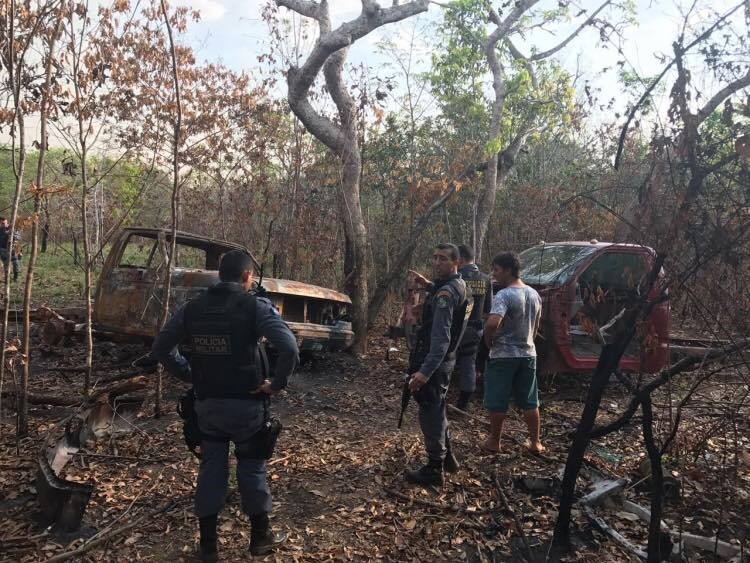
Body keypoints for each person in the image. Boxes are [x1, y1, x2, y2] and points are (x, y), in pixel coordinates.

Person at [152, 250, 299, 562]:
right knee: (252, 465)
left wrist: (188, 374)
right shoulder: (254, 306)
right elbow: (289, 347)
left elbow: (161, 348)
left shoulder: (192, 308)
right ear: (247, 276)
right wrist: (277, 384)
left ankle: (208, 548)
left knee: (211, 469)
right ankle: (260, 537)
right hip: (247, 404)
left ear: (220, 274)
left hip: (208, 406)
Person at [405, 243, 471, 486]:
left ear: (457, 262)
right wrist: (428, 285)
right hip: (446, 362)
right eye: (434, 257)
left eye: (443, 258)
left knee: (430, 413)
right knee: (438, 408)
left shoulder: (446, 295)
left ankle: (434, 467)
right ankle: (448, 458)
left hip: (435, 363)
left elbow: (441, 340)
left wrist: (424, 372)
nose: (436, 262)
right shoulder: (458, 285)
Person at [482, 252, 544, 454]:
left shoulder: (504, 294)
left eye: (496, 269)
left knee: (498, 399)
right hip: (528, 354)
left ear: (508, 270)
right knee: (529, 399)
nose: (494, 273)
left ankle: (494, 441)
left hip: (503, 355)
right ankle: (535, 442)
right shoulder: (534, 294)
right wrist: (529, 342)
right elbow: (535, 327)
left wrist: (487, 338)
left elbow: (492, 322)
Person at [455, 244, 492, 411]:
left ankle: (438, 399)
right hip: (475, 329)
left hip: (454, 329)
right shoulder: (485, 279)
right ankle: (463, 404)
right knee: (469, 363)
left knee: (446, 361)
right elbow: (488, 309)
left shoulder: (455, 277)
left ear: (460, 260)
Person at [0, 217, 21, 282]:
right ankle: (7, 278)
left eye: (4, 223)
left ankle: (15, 278)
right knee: (6, 264)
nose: (3, 224)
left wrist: (11, 236)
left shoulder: (11, 229)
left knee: (16, 263)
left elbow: (18, 237)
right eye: (1, 223)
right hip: (2, 250)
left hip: (11, 249)